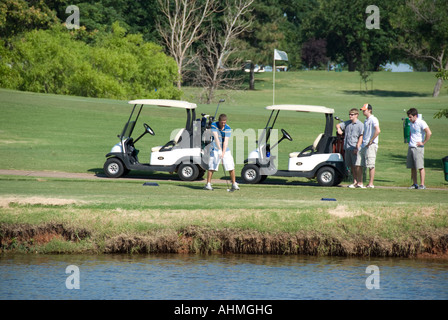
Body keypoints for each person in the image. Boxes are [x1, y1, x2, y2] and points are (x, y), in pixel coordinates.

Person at [204, 114, 239, 191]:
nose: (223, 124)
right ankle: (208, 184)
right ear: (219, 121)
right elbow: (216, 138)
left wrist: (223, 153)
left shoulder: (228, 128)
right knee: (212, 166)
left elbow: (226, 142)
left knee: (230, 166)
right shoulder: (214, 125)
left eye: (224, 122)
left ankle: (233, 184)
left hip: (225, 149)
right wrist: (219, 149)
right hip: (214, 148)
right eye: (222, 122)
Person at [336, 108, 364, 188]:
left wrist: (357, 147)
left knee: (357, 166)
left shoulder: (360, 125)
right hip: (347, 147)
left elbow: (361, 137)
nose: (350, 116)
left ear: (356, 115)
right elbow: (338, 125)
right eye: (349, 114)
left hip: (354, 148)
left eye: (352, 114)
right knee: (351, 166)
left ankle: (360, 182)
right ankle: (355, 181)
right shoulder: (347, 123)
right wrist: (338, 129)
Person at [356, 103, 380, 188]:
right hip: (363, 145)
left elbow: (378, 131)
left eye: (364, 110)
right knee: (358, 163)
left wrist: (371, 140)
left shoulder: (374, 119)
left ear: (369, 110)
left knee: (371, 165)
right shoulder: (366, 120)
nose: (363, 111)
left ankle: (371, 183)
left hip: (371, 145)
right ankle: (360, 182)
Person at [406, 108, 432, 189]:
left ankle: (422, 184)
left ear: (415, 116)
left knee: (420, 166)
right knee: (412, 167)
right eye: (408, 117)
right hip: (411, 146)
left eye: (410, 117)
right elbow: (411, 133)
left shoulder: (421, 122)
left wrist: (423, 142)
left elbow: (429, 132)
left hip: (418, 148)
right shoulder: (411, 123)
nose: (409, 119)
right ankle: (415, 184)